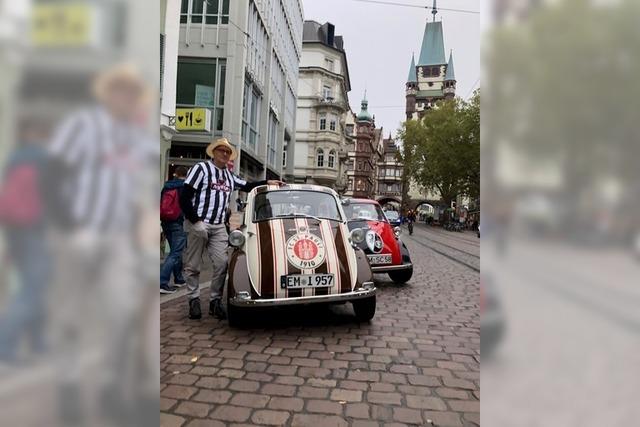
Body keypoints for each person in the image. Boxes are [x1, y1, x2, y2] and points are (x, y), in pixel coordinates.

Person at [180, 137, 284, 320]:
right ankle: (193, 300)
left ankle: (214, 300)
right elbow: (184, 197)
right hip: (198, 223)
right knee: (193, 265)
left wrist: (270, 182)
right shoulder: (201, 169)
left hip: (219, 225)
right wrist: (195, 221)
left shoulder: (228, 175)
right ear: (214, 152)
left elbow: (248, 185)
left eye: (228, 152)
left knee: (222, 263)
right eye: (222, 151)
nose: (225, 154)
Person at [160, 166, 188, 294]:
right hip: (178, 222)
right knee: (175, 253)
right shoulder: (184, 186)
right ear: (186, 175)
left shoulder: (167, 186)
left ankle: (179, 279)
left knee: (175, 251)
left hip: (165, 222)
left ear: (175, 174)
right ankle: (162, 282)